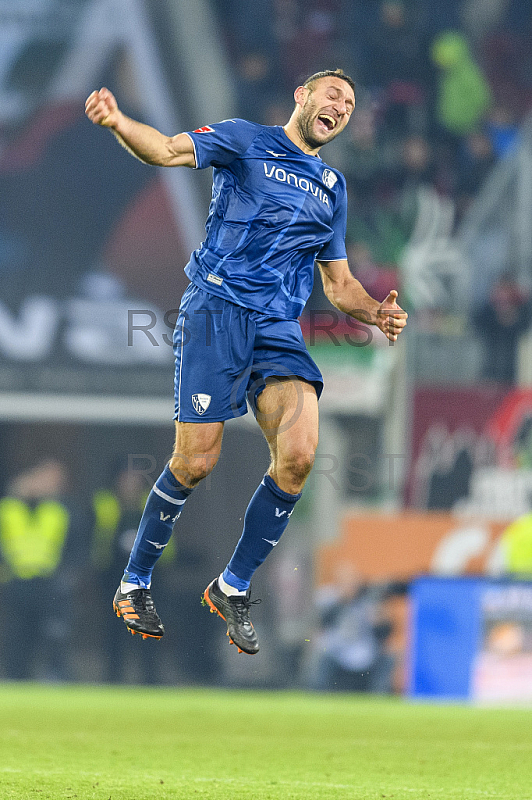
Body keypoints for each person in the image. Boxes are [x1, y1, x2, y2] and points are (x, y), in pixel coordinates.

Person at [84, 69, 407, 656]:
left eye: (351, 103)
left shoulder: (332, 186)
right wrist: (118, 123)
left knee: (302, 455)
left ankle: (231, 585)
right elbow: (165, 150)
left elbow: (339, 285)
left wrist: (375, 313)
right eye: (332, 93)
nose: (341, 105)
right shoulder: (244, 140)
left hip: (278, 328)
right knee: (198, 459)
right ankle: (133, 582)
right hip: (216, 310)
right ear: (301, 96)